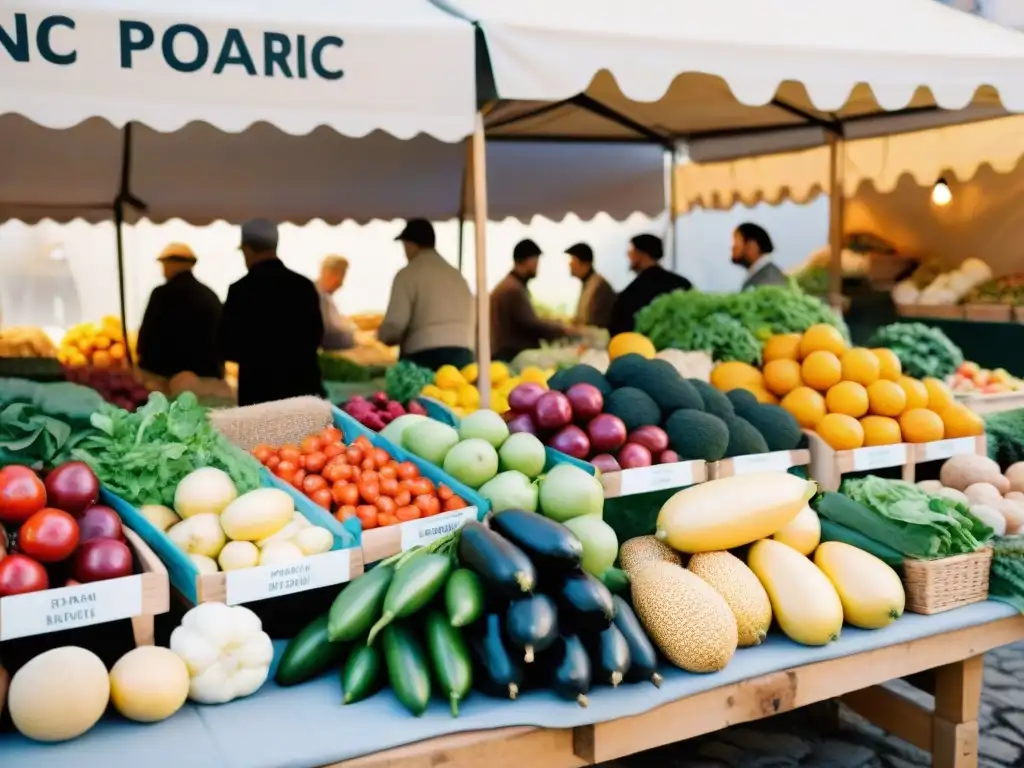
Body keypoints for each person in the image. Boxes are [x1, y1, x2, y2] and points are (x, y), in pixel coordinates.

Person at [219, 219, 324, 407]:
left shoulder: (240, 290)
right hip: (301, 393)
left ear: (248, 250)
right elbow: (316, 335)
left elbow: (228, 345)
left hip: (259, 396)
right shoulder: (304, 286)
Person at [378, 219, 475, 370]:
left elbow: (395, 325)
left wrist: (381, 336)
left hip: (425, 357)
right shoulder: (457, 276)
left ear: (410, 244)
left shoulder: (407, 274)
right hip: (463, 355)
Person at [136, 243, 223, 380]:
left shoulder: (161, 294)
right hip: (205, 376)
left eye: (164, 264)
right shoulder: (209, 295)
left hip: (165, 376)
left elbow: (146, 338)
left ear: (173, 264)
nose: (163, 270)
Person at [491, 239, 569, 362]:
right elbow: (532, 325)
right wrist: (564, 330)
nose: (538, 266)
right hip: (511, 356)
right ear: (528, 261)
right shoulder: (512, 289)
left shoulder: (512, 285)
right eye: (536, 261)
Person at [608, 234, 692, 336]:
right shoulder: (682, 283)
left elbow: (620, 322)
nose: (628, 255)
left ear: (642, 254)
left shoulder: (635, 291)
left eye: (631, 251)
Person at [566, 243, 616, 330]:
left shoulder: (598, 286)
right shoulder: (590, 283)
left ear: (585, 264)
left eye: (573, 259)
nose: (570, 264)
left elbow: (591, 323)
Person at [316, 255, 356, 351]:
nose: (341, 283)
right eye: (340, 275)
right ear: (326, 272)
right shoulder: (319, 297)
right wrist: (354, 337)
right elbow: (328, 334)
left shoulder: (325, 297)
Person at [732, 223, 789, 289]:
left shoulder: (770, 279)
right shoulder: (761, 274)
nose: (733, 247)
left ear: (752, 246)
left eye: (736, 242)